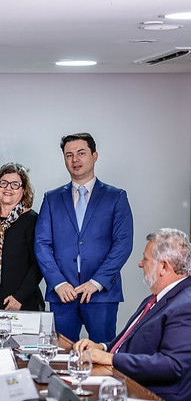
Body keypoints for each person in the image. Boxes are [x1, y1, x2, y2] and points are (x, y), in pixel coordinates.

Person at [73, 228, 191, 401]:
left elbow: (173, 365)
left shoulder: (185, 304)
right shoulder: (157, 297)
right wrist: (103, 347)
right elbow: (131, 342)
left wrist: (110, 359)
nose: (140, 264)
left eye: (145, 259)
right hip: (122, 382)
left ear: (164, 267)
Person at [35, 132, 133, 342]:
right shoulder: (51, 198)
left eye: (81, 153)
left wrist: (97, 282)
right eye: (69, 155)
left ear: (94, 156)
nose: (75, 160)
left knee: (101, 356)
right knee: (60, 357)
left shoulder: (116, 197)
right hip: (63, 293)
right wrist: (58, 283)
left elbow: (123, 244)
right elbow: (42, 244)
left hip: (101, 292)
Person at [0, 163, 44, 311]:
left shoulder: (31, 220)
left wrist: (19, 297)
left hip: (21, 303)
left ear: (23, 190)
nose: (8, 188)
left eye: (15, 184)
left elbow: (39, 265)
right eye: (3, 183)